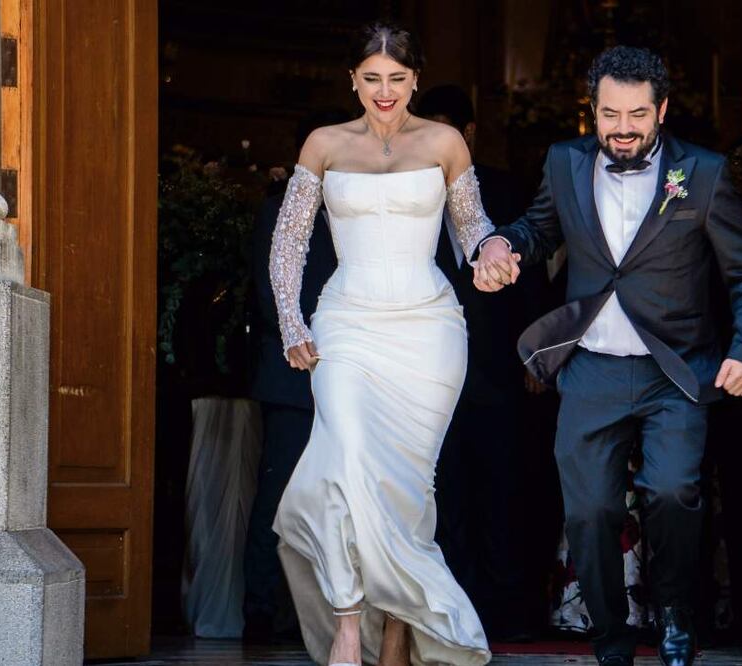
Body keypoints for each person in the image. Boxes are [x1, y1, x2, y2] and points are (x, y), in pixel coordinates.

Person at [474, 46, 742, 666]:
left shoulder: (705, 173)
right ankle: (611, 635)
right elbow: (538, 229)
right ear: (594, 110)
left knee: (672, 494)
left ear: (662, 109)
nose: (623, 129)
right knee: (590, 510)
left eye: (637, 115)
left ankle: (675, 612)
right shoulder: (564, 163)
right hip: (592, 368)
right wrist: (501, 244)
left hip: (677, 370)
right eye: (610, 114)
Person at [268, 23, 493, 666]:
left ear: (415, 79)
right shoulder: (324, 145)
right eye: (372, 79)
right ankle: (346, 621)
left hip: (429, 331)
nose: (385, 92)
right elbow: (289, 241)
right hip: (347, 324)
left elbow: (472, 225)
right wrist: (292, 322)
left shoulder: (446, 141)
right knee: (345, 465)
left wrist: (490, 251)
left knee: (406, 488)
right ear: (353, 81)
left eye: (397, 79)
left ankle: (396, 634)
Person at [415, 84, 542, 640]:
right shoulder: (408, 190)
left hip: (496, 367)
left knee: (502, 491)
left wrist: (536, 356)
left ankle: (506, 614)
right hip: (426, 374)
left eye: (448, 129)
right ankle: (452, 612)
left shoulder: (507, 189)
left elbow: (532, 282)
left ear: (467, 134)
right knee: (444, 497)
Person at [243, 111, 346, 643]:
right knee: (278, 495)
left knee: (338, 500)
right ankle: (262, 613)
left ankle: (326, 616)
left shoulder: (356, 210)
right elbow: (269, 294)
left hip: (350, 378)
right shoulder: (277, 208)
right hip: (291, 379)